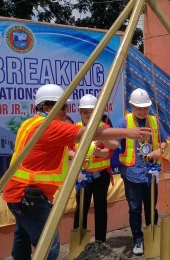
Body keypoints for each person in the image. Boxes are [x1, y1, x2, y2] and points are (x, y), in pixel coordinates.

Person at [2, 84, 150, 260]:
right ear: (47, 107)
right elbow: (90, 133)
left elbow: (49, 153)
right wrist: (128, 133)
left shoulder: (30, 123)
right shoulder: (48, 126)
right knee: (49, 244)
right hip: (29, 196)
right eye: (63, 106)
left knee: (22, 239)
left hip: (19, 193)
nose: (66, 111)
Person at [115, 88, 168, 256]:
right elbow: (114, 142)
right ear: (131, 106)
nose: (143, 111)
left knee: (151, 207)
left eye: (145, 108)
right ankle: (138, 239)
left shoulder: (154, 121)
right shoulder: (124, 122)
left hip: (150, 172)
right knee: (135, 208)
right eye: (139, 108)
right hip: (132, 174)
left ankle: (152, 235)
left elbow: (164, 141)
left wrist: (160, 150)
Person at [71, 94, 111, 243]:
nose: (88, 115)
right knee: (81, 209)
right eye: (85, 112)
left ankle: (101, 242)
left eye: (92, 111)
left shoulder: (104, 128)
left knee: (101, 208)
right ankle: (79, 242)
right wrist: (75, 155)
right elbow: (67, 150)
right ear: (80, 112)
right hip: (82, 177)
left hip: (101, 176)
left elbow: (111, 149)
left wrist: (102, 152)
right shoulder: (74, 129)